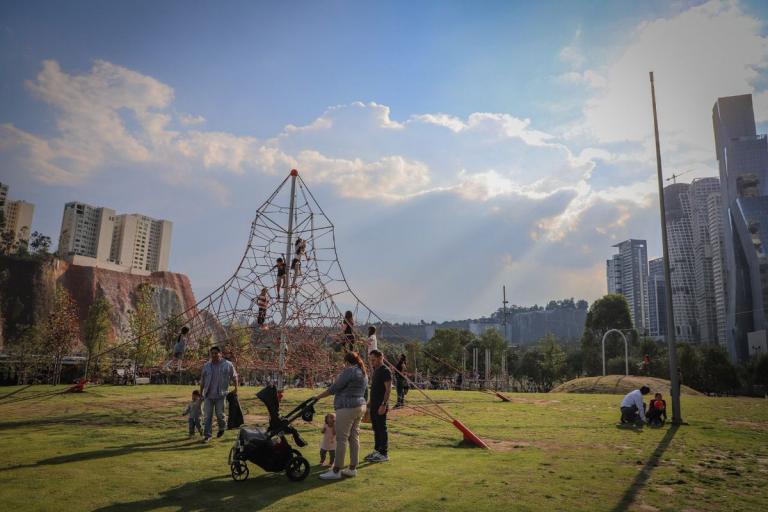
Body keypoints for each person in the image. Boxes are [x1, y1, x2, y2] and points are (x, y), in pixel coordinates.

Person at [314, 351, 368, 480]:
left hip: (347, 407)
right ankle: (352, 468)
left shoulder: (349, 371)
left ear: (347, 362)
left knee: (342, 439)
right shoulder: (363, 372)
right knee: (354, 436)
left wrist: (317, 397)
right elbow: (366, 391)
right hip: (360, 406)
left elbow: (334, 388)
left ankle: (336, 470)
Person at [199, 346, 238, 443]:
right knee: (207, 416)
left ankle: (222, 428)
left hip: (221, 395)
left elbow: (234, 376)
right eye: (212, 353)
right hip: (208, 395)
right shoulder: (206, 366)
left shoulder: (227, 365)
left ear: (220, 354)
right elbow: (203, 380)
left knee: (220, 415)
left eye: (216, 353)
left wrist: (236, 388)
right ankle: (207, 436)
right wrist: (201, 393)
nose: (214, 355)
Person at [365, 349, 391, 462]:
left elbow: (388, 389)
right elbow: (375, 388)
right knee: (375, 428)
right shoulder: (376, 370)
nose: (372, 362)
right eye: (371, 360)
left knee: (381, 428)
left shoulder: (385, 370)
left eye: (374, 360)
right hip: (374, 404)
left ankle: (384, 453)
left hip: (381, 405)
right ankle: (377, 451)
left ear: (381, 357)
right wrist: (370, 403)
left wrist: (383, 404)